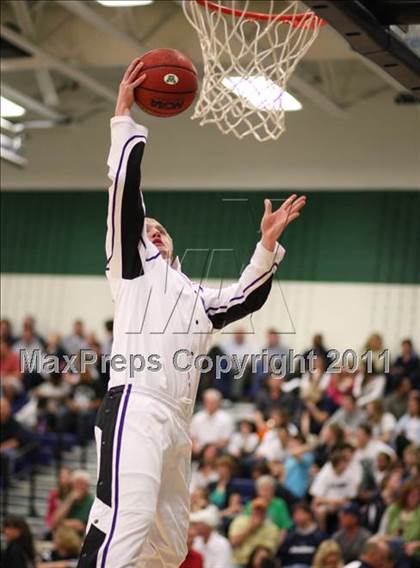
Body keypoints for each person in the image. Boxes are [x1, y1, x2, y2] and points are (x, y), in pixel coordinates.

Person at [77, 58, 306, 568]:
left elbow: (246, 296)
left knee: (169, 546)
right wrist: (123, 118)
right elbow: (126, 198)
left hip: (177, 421)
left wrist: (265, 246)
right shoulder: (131, 266)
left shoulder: (196, 295)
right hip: (135, 403)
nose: (154, 230)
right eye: (147, 226)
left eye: (161, 228)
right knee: (125, 523)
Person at [229, 498, 280, 567]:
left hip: (260, 565)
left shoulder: (272, 528)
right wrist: (251, 529)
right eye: (256, 510)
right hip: (238, 563)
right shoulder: (239, 521)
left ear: (265, 513)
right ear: (252, 510)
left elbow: (267, 552)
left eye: (261, 511)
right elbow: (233, 543)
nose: (258, 513)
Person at [277, 502, 325, 567]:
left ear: (309, 515)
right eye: (294, 514)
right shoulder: (290, 535)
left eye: (299, 513)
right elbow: (280, 555)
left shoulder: (319, 536)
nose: (296, 517)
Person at [190, 388, 234, 455]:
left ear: (218, 402)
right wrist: (195, 446)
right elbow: (192, 436)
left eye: (212, 402)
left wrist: (211, 447)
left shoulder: (226, 418)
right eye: (207, 402)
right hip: (199, 450)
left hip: (218, 450)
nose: (210, 405)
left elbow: (226, 440)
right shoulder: (197, 417)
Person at [52, 470, 94, 535]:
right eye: (77, 483)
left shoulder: (90, 502)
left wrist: (61, 523)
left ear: (87, 486)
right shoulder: (67, 498)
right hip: (63, 536)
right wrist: (70, 500)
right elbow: (55, 521)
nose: (79, 486)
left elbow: (82, 526)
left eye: (82, 484)